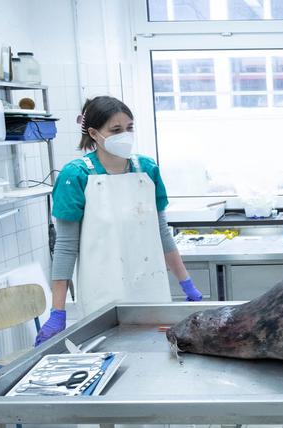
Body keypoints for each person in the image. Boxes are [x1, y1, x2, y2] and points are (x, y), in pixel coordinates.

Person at [34, 96, 202, 346]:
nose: (125, 135)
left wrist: (187, 284)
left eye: (129, 128)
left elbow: (162, 233)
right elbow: (66, 248)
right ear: (93, 132)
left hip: (150, 289)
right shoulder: (76, 175)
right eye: (115, 130)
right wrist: (58, 312)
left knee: (155, 361)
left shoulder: (146, 170)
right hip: (101, 295)